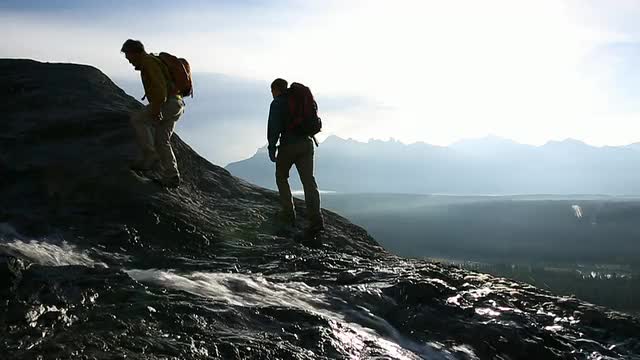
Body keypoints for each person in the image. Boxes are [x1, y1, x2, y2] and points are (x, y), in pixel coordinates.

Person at [121, 39, 185, 188]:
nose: (130, 62)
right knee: (162, 141)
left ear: (135, 53)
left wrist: (156, 109)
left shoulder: (149, 63)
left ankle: (150, 155)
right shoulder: (153, 61)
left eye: (129, 58)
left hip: (166, 103)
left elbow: (159, 88)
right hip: (177, 104)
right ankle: (172, 176)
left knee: (138, 119)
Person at [267, 78, 324, 237]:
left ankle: (288, 213)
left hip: (289, 145)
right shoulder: (299, 99)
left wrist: (272, 148)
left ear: (276, 89)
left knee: (281, 176)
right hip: (307, 143)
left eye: (272, 91)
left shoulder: (278, 103)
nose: (272, 95)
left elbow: (274, 127)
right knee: (308, 181)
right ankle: (316, 220)